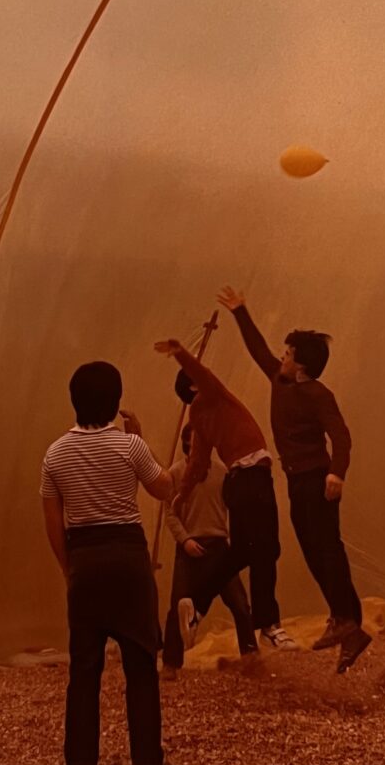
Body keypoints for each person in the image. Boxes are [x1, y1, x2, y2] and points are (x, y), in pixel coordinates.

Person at [216, 286, 371, 674]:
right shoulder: (280, 381)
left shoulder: (318, 394)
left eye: (287, 354)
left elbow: (342, 436)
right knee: (315, 548)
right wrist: (240, 312)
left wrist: (337, 472)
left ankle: (346, 620)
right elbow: (257, 349)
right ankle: (347, 623)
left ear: (300, 366)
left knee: (325, 548)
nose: (280, 358)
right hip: (297, 481)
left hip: (316, 479)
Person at [40, 360, 175, 765]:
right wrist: (143, 440)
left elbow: (52, 522)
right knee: (140, 669)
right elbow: (164, 487)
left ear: (74, 401)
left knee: (83, 673)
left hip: (85, 561)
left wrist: (70, 570)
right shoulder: (129, 447)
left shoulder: (55, 454)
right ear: (116, 402)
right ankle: (147, 764)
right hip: (128, 560)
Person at [154, 338, 297, 652]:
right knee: (266, 548)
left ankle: (197, 606)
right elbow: (200, 373)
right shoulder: (211, 396)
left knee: (243, 553)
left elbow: (199, 463)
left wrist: (183, 494)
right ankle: (269, 625)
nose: (209, 376)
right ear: (194, 387)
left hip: (239, 482)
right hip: (251, 477)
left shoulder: (199, 418)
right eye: (200, 377)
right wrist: (180, 353)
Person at [162, 422, 258, 678]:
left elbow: (235, 506)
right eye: (193, 445)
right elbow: (170, 514)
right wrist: (185, 541)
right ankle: (170, 664)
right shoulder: (175, 473)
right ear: (186, 446)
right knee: (178, 605)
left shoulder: (222, 473)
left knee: (239, 604)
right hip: (189, 547)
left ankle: (251, 659)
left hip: (219, 547)